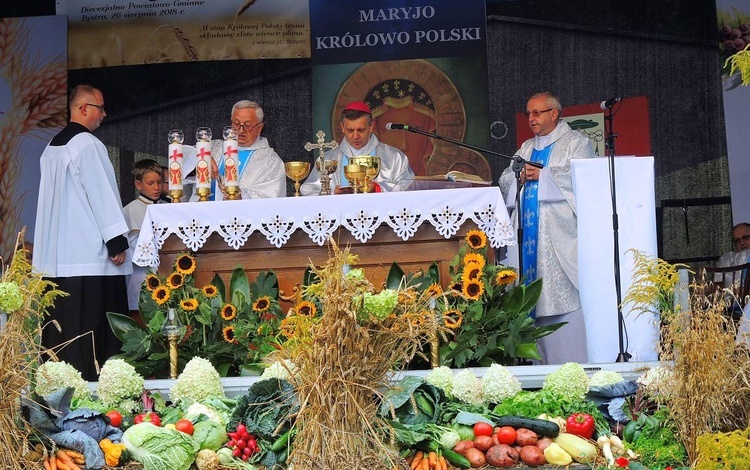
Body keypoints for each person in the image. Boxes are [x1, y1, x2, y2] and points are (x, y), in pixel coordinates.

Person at [33, 84, 131, 381]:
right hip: (89, 256)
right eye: (100, 108)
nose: (104, 114)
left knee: (63, 331)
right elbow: (101, 193)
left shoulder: (52, 147)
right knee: (94, 333)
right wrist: (116, 240)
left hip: (58, 257)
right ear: (83, 109)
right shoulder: (87, 144)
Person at [498, 91, 596, 365]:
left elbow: (586, 180)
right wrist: (518, 176)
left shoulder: (577, 143)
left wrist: (544, 176)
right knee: (529, 299)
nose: (531, 118)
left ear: (554, 113)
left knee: (562, 300)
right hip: (528, 235)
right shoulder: (526, 148)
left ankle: (573, 367)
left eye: (537, 112)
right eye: (528, 113)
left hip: (558, 238)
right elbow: (506, 178)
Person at [300, 101, 415, 195]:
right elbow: (309, 192)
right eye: (350, 130)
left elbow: (408, 187)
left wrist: (377, 188)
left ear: (371, 126)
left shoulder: (394, 157)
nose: (355, 136)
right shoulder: (327, 160)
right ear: (342, 127)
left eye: (361, 130)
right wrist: (331, 195)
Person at [183, 100, 286, 200]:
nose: (241, 130)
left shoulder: (271, 162)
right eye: (236, 124)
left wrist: (241, 196)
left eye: (248, 125)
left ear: (260, 127)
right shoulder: (213, 147)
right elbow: (179, 157)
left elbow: (271, 197)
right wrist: (201, 158)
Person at [123, 159, 163, 321]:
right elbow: (130, 250)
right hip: (140, 279)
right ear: (138, 185)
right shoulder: (130, 210)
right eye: (151, 183)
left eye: (159, 182)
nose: (156, 187)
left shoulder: (167, 208)